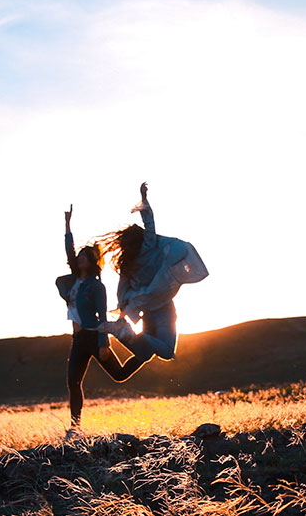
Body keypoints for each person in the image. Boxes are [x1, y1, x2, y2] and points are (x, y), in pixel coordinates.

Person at [95, 182, 209, 380]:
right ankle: (125, 332)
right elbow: (150, 224)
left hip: (147, 311)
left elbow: (122, 290)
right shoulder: (148, 246)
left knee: (144, 353)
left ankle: (125, 333)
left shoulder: (127, 265)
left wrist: (124, 309)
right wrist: (144, 199)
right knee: (166, 352)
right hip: (164, 309)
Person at [56, 204, 124, 434]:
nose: (80, 258)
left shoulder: (97, 286)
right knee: (73, 383)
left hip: (94, 336)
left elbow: (103, 317)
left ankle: (144, 354)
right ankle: (75, 428)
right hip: (78, 340)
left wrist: (104, 343)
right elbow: (69, 250)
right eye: (80, 256)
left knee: (119, 375)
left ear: (92, 261)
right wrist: (67, 225)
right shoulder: (74, 280)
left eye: (85, 256)